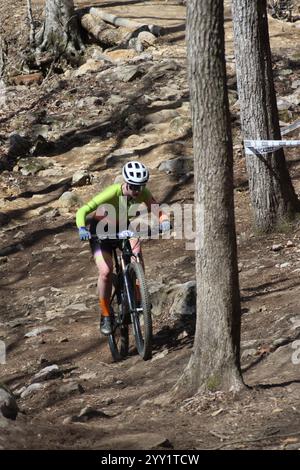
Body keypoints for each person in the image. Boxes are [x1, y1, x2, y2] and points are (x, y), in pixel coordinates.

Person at [76, 161, 171, 335]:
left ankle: (138, 295)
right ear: (126, 183)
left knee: (136, 254)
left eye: (140, 187)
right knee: (105, 272)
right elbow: (82, 211)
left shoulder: (142, 193)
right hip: (100, 233)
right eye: (134, 187)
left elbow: (158, 210)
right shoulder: (112, 193)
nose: (137, 191)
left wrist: (164, 221)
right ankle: (105, 313)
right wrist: (82, 228)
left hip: (122, 229)